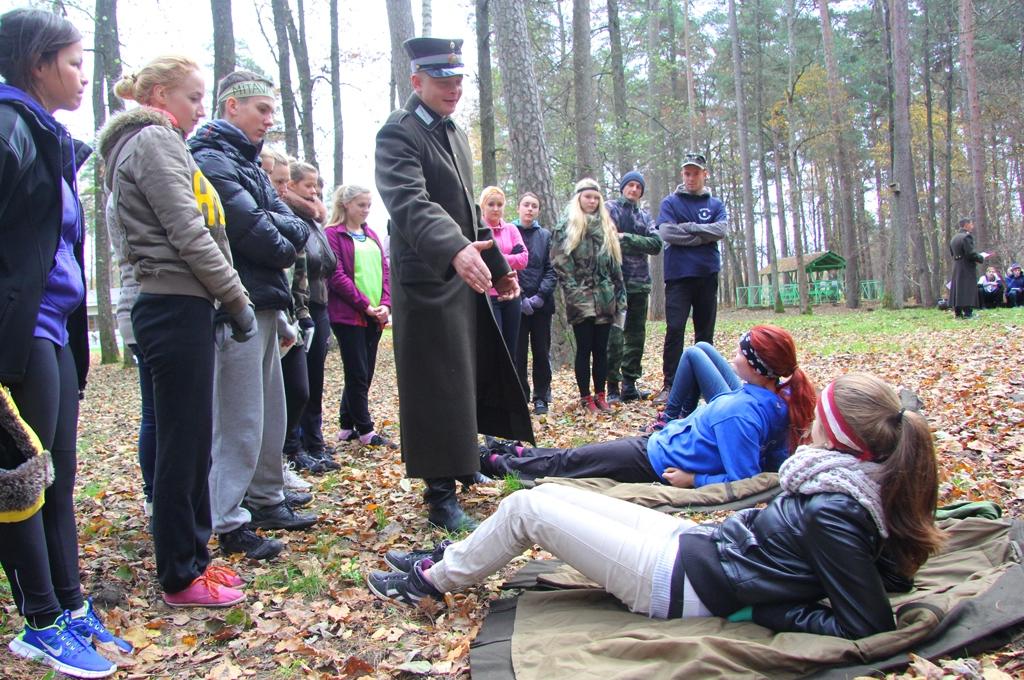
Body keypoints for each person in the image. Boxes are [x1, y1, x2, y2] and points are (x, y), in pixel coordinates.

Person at [370, 373, 946, 642]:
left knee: (527, 510)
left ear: (843, 439)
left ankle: (433, 579)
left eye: (822, 418)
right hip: (701, 550)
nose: (811, 422)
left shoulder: (836, 507)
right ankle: (454, 556)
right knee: (550, 494)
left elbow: (866, 620)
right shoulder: (863, 483)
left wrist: (763, 613)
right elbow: (885, 575)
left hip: (681, 584)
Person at [100, 55, 258, 608]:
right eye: (193, 98)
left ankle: (196, 560)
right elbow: (190, 233)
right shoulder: (153, 141)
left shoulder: (155, 142)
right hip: (172, 304)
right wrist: (237, 299)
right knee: (181, 444)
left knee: (191, 442)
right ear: (161, 95)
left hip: (183, 304)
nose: (199, 111)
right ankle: (179, 575)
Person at [1, 9, 128, 677]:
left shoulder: (43, 135)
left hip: (54, 331)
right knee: (20, 482)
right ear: (37, 63)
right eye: (75, 62)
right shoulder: (8, 127)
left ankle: (71, 605)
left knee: (57, 477)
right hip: (17, 336)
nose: (85, 75)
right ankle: (40, 620)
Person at [375, 37, 533, 531]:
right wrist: (454, 248)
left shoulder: (454, 132)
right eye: (443, 81)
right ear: (416, 81)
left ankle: (464, 464)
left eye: (459, 80)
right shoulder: (398, 133)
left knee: (464, 375)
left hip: (462, 269)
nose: (454, 89)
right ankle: (439, 493)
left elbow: (466, 207)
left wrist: (502, 268)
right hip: (427, 276)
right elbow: (409, 202)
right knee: (435, 383)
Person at [190, 70, 315, 560]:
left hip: (266, 300)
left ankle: (266, 499)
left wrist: (285, 225)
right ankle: (227, 518)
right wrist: (287, 227)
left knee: (270, 414)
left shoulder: (250, 164)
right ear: (231, 107)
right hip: (235, 304)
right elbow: (260, 233)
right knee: (239, 418)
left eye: (271, 110)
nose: (269, 119)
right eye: (261, 109)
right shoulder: (211, 160)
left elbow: (285, 224)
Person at [480, 326, 814, 486]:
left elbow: (745, 482)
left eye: (741, 353)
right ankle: (517, 454)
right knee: (577, 457)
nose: (735, 356)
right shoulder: (775, 398)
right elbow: (772, 464)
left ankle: (497, 462)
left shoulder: (738, 415)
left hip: (654, 460)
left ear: (757, 367)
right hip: (663, 444)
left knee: (572, 465)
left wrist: (694, 480)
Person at [324, 185, 395, 448]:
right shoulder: (332, 235)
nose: (366, 210)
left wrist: (385, 304)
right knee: (357, 371)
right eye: (360, 205)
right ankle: (365, 430)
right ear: (346, 205)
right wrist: (364, 305)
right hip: (348, 315)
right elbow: (336, 275)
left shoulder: (372, 234)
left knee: (365, 372)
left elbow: (384, 271)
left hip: (374, 315)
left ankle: (346, 425)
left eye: (368, 205)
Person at [654, 153, 728, 403]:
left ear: (704, 174)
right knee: (675, 329)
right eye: (687, 173)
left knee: (704, 332)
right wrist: (702, 236)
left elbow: (721, 230)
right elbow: (667, 232)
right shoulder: (670, 203)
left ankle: (704, 384)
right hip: (678, 277)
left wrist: (690, 227)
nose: (690, 178)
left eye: (695, 173)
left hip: (706, 275)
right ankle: (670, 384)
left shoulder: (715, 204)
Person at [551, 178, 626, 414]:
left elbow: (615, 266)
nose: (592, 201)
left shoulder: (606, 227)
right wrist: (574, 292)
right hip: (580, 296)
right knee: (585, 348)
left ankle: (601, 395)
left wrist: (619, 295)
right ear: (579, 198)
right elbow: (560, 263)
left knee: (601, 349)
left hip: (605, 296)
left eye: (595, 197)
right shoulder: (567, 227)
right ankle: (586, 398)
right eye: (587, 197)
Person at [281, 161, 338, 473]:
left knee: (314, 380)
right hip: (299, 306)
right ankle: (294, 444)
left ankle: (314, 441)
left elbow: (326, 262)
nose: (315, 191)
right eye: (308, 186)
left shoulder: (314, 220)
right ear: (290, 185)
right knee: (297, 383)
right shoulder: (291, 216)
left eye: (317, 186)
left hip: (320, 304)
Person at [606, 171, 661, 403]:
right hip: (616, 282)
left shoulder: (645, 216)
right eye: (630, 185)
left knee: (636, 335)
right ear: (622, 188)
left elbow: (656, 244)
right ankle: (612, 388)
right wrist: (637, 242)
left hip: (640, 283)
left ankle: (630, 384)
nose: (634, 190)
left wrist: (627, 237)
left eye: (638, 187)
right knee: (615, 335)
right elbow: (608, 237)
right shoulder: (610, 209)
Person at [514, 193, 556, 415]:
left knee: (541, 352)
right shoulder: (511, 233)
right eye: (526, 205)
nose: (530, 209)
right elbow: (507, 267)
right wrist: (520, 298)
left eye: (534, 206)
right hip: (516, 306)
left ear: (538, 210)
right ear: (519, 208)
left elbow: (551, 269)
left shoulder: (545, 236)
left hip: (541, 306)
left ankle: (541, 397)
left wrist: (540, 296)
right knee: (518, 354)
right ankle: (520, 395)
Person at [480, 186, 529, 359]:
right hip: (488, 295)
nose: (495, 208)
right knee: (494, 348)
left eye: (499, 204)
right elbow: (479, 260)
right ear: (483, 206)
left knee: (511, 349)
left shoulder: (511, 229)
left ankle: (511, 386)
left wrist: (496, 258)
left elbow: (523, 259)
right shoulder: (479, 231)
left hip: (512, 296)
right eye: (491, 204)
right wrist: (509, 257)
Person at [948, 218, 985, 319]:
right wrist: (981, 257)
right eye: (971, 224)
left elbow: (952, 253)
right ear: (966, 225)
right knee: (967, 288)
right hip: (966, 266)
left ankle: (958, 313)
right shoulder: (966, 237)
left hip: (957, 266)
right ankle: (968, 313)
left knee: (958, 289)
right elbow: (970, 253)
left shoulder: (954, 238)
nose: (972, 226)